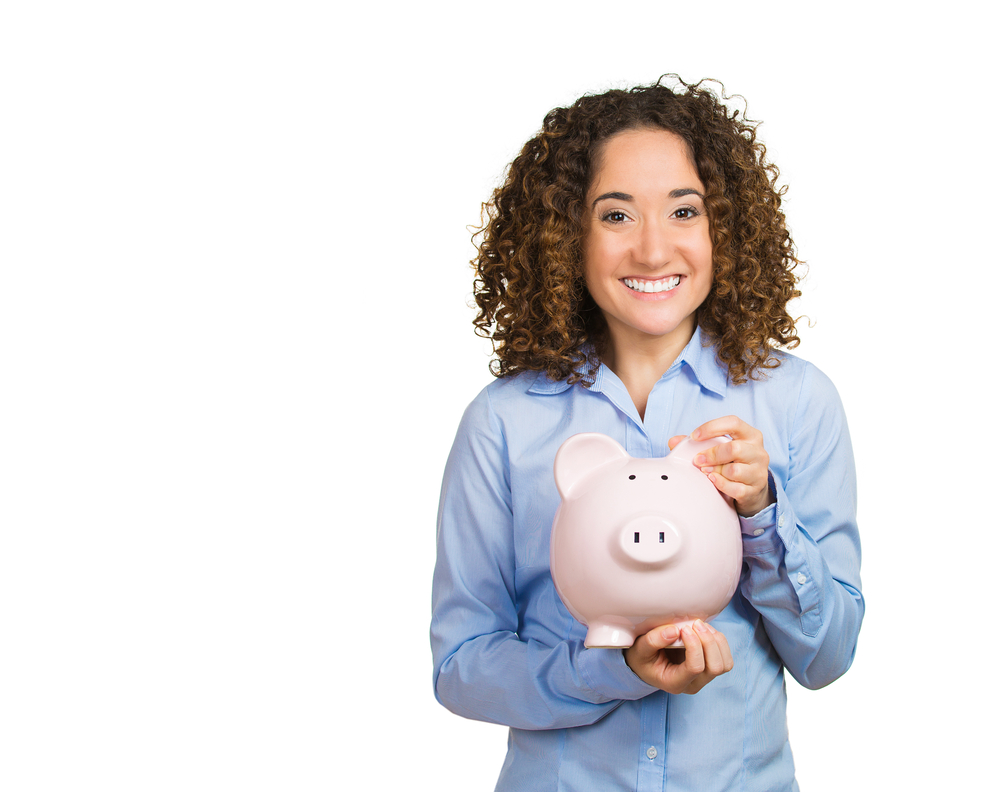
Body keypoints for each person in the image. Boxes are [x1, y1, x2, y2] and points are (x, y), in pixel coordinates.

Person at [430, 77, 863, 792]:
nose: (654, 250)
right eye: (617, 215)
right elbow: (460, 668)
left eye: (684, 211)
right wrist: (611, 672)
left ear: (725, 227)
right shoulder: (503, 423)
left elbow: (828, 657)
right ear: (567, 235)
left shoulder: (797, 402)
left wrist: (762, 514)